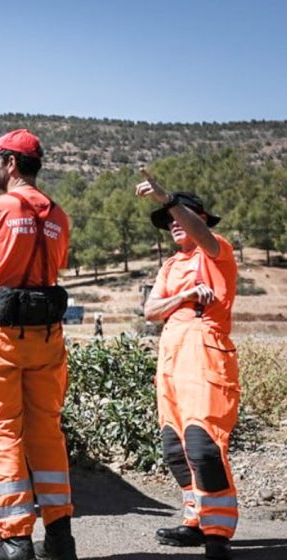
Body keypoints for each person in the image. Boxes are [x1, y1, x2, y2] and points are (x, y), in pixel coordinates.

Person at [0, 130, 76, 560]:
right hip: (47, 335)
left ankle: (15, 541)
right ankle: (60, 537)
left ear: (11, 163)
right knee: (46, 432)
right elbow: (54, 266)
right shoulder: (59, 216)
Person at [136, 172, 238, 560]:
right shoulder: (170, 267)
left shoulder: (216, 250)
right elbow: (150, 310)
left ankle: (218, 533)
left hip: (206, 352)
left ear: (200, 219)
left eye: (182, 216)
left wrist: (167, 198)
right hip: (171, 359)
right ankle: (195, 521)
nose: (175, 223)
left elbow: (201, 233)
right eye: (170, 221)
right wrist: (185, 294)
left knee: (204, 445)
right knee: (174, 448)